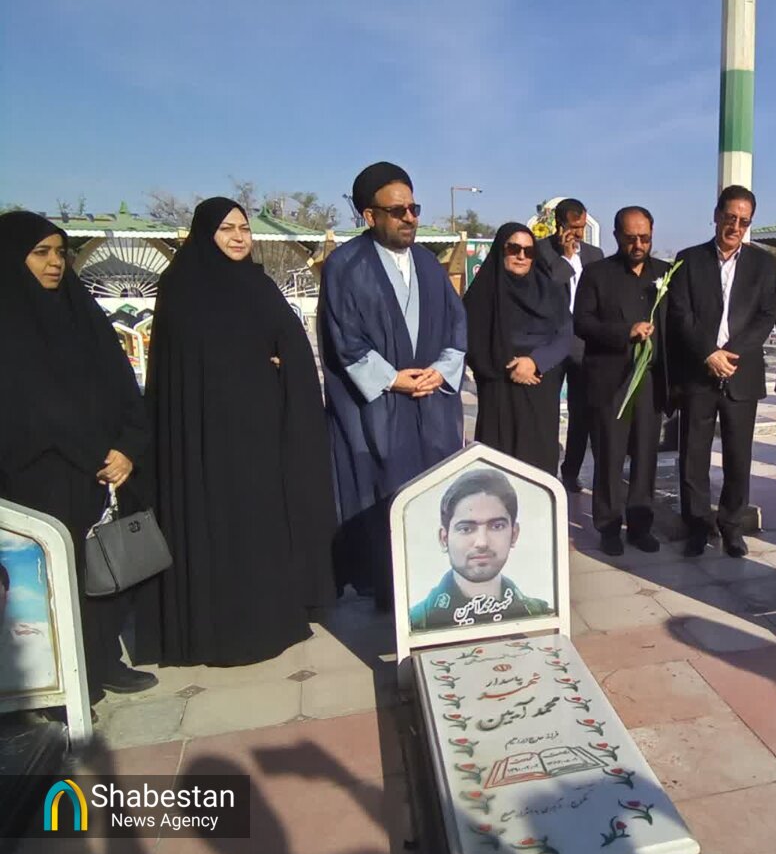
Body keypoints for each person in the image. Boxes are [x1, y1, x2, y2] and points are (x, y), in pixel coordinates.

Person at [133, 198, 335, 667]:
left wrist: (281, 364)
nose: (239, 237)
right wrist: (251, 362)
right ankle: (215, 629)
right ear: (206, 233)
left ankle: (267, 619)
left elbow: (292, 344)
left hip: (259, 434)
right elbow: (180, 368)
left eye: (244, 228)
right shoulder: (181, 286)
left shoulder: (258, 284)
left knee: (258, 525)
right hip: (202, 438)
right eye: (227, 229)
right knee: (213, 530)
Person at [0, 211, 155, 700]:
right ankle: (61, 679)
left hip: (102, 472)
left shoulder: (80, 312)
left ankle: (102, 659)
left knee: (103, 572)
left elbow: (122, 386)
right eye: (40, 253)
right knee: (52, 579)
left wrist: (127, 447)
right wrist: (93, 451)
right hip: (40, 476)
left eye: (60, 253)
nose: (55, 263)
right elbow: (27, 409)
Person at [320, 162, 466, 609]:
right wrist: (392, 379)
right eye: (397, 210)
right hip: (381, 408)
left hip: (431, 402)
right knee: (386, 495)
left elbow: (457, 324)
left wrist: (442, 369)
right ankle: (392, 594)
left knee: (435, 491)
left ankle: (438, 587)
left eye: (413, 209)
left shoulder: (429, 264)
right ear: (370, 216)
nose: (409, 218)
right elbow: (343, 338)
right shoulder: (346, 266)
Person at [668, 185, 776, 558]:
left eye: (743, 221)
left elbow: (766, 315)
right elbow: (680, 313)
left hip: (741, 373)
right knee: (693, 455)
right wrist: (708, 353)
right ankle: (697, 526)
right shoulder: (689, 260)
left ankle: (731, 526)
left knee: (738, 455)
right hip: (699, 373)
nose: (735, 226)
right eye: (730, 217)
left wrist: (730, 354)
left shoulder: (763, 264)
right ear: (716, 216)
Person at [574, 207, 672, 556]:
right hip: (611, 382)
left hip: (650, 382)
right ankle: (609, 526)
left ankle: (641, 525)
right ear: (617, 236)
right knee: (610, 455)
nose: (638, 245)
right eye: (631, 238)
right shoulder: (597, 274)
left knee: (645, 456)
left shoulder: (665, 273)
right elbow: (582, 323)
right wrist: (625, 332)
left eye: (645, 238)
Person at [466, 222, 572, 476]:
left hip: (539, 389)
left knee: (537, 468)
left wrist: (534, 362)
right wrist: (510, 365)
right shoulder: (482, 294)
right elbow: (470, 341)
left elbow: (565, 335)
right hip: (499, 391)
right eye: (514, 249)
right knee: (498, 471)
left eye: (529, 251)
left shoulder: (550, 291)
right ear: (501, 251)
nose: (522, 256)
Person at [408, 468, 550, 630]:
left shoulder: (540, 615)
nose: (482, 542)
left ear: (514, 534)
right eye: (466, 529)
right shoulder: (416, 623)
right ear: (444, 538)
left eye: (497, 526)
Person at [534, 198, 604, 492]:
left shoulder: (594, 255)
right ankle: (544, 472)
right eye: (573, 227)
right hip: (551, 342)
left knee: (582, 412)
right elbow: (541, 293)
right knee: (547, 411)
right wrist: (564, 256)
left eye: (582, 227)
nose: (578, 233)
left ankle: (571, 471)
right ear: (559, 224)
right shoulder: (541, 252)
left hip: (582, 343)